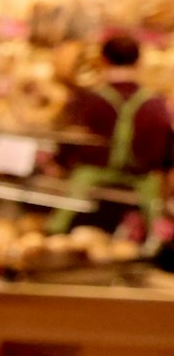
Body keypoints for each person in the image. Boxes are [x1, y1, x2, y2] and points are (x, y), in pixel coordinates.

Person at [49, 34, 173, 249]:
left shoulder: (87, 101)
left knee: (66, 248)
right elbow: (167, 153)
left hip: (87, 203)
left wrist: (58, 165)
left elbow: (65, 145)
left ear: (103, 60)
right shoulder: (156, 104)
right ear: (139, 61)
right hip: (136, 205)